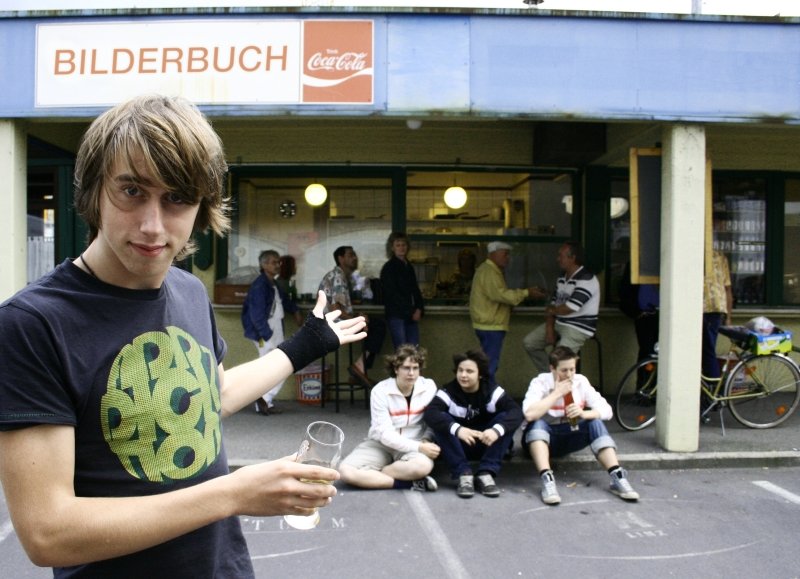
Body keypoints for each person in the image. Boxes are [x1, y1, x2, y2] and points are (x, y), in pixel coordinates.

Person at [0, 94, 366, 578]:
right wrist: (234, 493)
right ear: (93, 192)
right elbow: (48, 533)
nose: (153, 226)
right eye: (132, 191)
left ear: (202, 206)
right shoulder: (32, 324)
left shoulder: (188, 289)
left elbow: (212, 397)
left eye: (177, 197)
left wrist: (307, 344)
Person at [521, 346, 639, 506]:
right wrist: (556, 393)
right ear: (552, 369)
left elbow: (607, 410)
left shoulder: (580, 382)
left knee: (595, 422)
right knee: (537, 423)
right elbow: (529, 414)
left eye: (572, 369)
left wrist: (584, 414)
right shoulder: (540, 382)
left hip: (569, 435)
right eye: (564, 370)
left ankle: (617, 477)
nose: (569, 375)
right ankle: (547, 480)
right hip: (539, 440)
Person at [338, 344, 440, 492]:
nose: (411, 373)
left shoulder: (428, 387)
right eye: (406, 368)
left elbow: (433, 420)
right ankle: (408, 483)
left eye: (415, 368)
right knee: (346, 472)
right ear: (396, 369)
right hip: (381, 444)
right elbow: (385, 434)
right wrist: (419, 447)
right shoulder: (380, 391)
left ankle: (375, 475)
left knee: (422, 467)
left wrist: (426, 439)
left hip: (415, 442)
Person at [424, 349, 523, 499]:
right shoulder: (448, 391)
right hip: (459, 446)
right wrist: (458, 429)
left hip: (487, 443)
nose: (463, 375)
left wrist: (496, 430)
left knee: (505, 418)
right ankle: (463, 473)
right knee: (442, 419)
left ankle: (486, 472)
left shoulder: (491, 391)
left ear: (480, 374)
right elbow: (430, 413)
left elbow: (516, 412)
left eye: (469, 371)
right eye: (460, 370)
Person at [469, 241, 543, 384]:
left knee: (488, 362)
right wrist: (526, 293)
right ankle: (487, 393)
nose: (508, 258)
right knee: (490, 365)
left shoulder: (488, 270)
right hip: (490, 325)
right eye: (505, 254)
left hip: (488, 323)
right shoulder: (489, 272)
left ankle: (485, 391)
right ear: (493, 254)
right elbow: (500, 294)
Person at [242, 249, 304, 415]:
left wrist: (296, 310)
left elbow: (284, 300)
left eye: (278, 262)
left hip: (274, 328)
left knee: (276, 366)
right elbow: (256, 315)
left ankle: (264, 400)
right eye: (273, 262)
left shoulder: (272, 283)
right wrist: (266, 335)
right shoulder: (260, 285)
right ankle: (263, 399)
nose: (277, 265)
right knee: (278, 366)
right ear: (264, 265)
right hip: (266, 331)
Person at [523, 241, 600, 375]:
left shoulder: (587, 278)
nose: (557, 259)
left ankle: (558, 379)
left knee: (560, 359)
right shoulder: (562, 277)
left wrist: (552, 310)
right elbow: (553, 304)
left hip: (578, 327)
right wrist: (549, 327)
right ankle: (550, 376)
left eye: (561, 256)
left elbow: (570, 307)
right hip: (559, 322)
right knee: (530, 343)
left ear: (573, 258)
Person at [319, 245, 387, 387]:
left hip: (329, 324)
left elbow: (339, 308)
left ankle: (358, 372)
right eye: (350, 255)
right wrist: (358, 319)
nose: (355, 258)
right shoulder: (338, 277)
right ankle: (359, 369)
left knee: (372, 324)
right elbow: (336, 309)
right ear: (340, 258)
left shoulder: (339, 275)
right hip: (333, 327)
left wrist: (357, 317)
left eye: (354, 255)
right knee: (378, 326)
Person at [380, 231, 424, 348]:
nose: (401, 248)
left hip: (410, 315)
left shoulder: (409, 266)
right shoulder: (389, 268)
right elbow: (391, 294)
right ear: (392, 248)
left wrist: (419, 308)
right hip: (397, 314)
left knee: (413, 350)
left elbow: (415, 289)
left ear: (407, 246)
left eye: (403, 244)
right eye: (398, 245)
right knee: (401, 350)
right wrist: (412, 310)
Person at [619, 260, 660, 362]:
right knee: (647, 354)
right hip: (646, 316)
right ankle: (645, 372)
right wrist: (636, 313)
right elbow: (625, 291)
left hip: (667, 315)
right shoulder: (637, 261)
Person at [702, 250, 733, 380]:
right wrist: (728, 317)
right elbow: (727, 288)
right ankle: (710, 385)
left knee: (706, 351)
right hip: (716, 309)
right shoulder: (720, 256)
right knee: (707, 350)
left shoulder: (691, 253)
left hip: (706, 308)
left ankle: (713, 384)